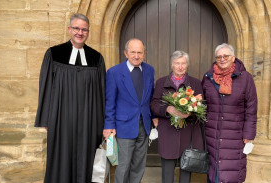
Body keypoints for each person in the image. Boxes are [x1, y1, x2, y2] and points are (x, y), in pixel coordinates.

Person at [34, 13, 105, 183]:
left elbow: (102, 92)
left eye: (84, 29)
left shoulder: (97, 58)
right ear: (69, 29)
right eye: (76, 28)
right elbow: (45, 87)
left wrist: (103, 122)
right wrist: (46, 119)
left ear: (88, 32)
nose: (80, 32)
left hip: (89, 121)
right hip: (61, 118)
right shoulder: (54, 54)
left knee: (87, 159)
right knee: (61, 157)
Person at [201, 43, 258, 183]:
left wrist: (249, 133)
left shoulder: (245, 78)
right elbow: (203, 103)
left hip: (235, 134)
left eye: (225, 56)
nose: (222, 59)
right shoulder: (208, 78)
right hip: (212, 133)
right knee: (213, 170)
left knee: (231, 171)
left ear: (233, 57)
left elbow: (251, 107)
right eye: (219, 56)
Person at [103, 38, 156, 183]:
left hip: (144, 125)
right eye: (133, 52)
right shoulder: (114, 72)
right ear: (126, 53)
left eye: (140, 52)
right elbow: (110, 102)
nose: (136, 56)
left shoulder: (149, 70)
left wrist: (154, 117)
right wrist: (108, 125)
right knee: (123, 166)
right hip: (123, 126)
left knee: (139, 166)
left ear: (144, 54)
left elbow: (151, 96)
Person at [150, 51, 204, 183]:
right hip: (168, 132)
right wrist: (168, 109)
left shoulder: (195, 83)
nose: (180, 66)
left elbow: (202, 107)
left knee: (186, 169)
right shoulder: (161, 82)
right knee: (167, 173)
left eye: (183, 63)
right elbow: (154, 104)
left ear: (187, 65)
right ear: (172, 65)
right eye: (177, 63)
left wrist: (190, 112)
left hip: (188, 133)